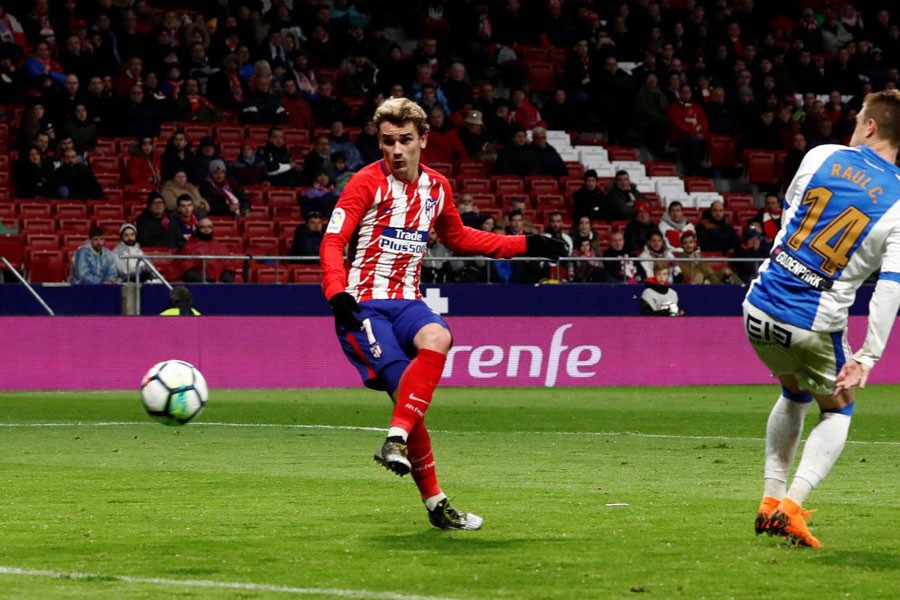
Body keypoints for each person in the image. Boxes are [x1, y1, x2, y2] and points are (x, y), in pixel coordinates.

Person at [319, 97, 566, 530]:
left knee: (438, 338)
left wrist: (528, 244)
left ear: (423, 141)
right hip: (363, 306)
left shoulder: (436, 188)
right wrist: (337, 293)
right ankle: (435, 501)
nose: (396, 150)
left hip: (408, 301)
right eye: (388, 141)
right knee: (406, 400)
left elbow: (461, 238)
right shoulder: (364, 183)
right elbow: (332, 241)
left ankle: (398, 447)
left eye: (405, 141)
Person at [746, 90, 900, 549]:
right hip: (811, 320)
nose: (853, 126)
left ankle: (768, 501)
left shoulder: (822, 154)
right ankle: (790, 509)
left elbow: (790, 212)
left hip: (758, 301)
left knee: (793, 391)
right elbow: (890, 287)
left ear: (870, 127)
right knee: (840, 405)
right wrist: (869, 356)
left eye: (857, 120)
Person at [179, 218, 238, 283]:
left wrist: (223, 282)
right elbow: (188, 271)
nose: (206, 230)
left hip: (220, 287)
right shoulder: (188, 247)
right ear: (197, 229)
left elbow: (229, 267)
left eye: (209, 227)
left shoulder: (221, 247)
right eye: (202, 227)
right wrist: (208, 281)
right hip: (199, 286)